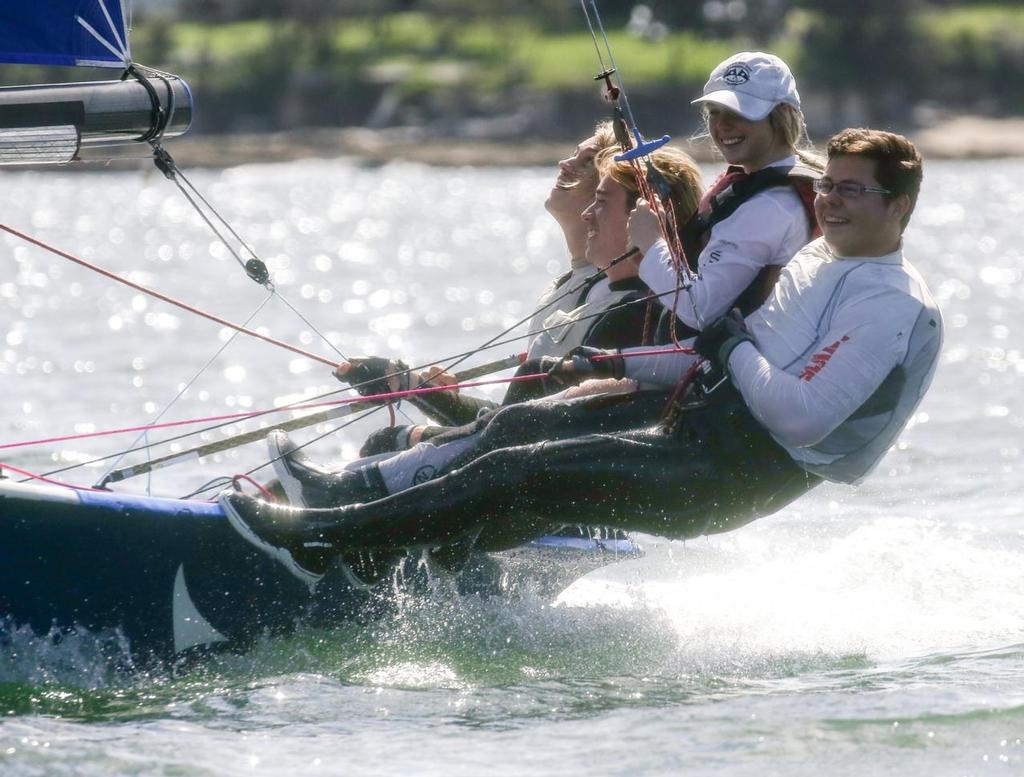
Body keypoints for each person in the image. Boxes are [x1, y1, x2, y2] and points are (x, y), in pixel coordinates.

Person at [221, 128, 943, 589]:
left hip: (736, 474)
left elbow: (803, 414)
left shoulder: (892, 304)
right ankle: (381, 549)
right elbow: (715, 365)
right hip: (694, 439)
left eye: (852, 189)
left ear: (899, 205)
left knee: (513, 466)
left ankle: (319, 540)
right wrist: (624, 365)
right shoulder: (818, 263)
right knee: (514, 464)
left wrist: (727, 341)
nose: (832, 200)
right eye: (828, 185)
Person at [633, 50, 822, 343]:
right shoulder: (753, 187)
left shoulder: (771, 206)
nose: (722, 126)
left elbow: (700, 310)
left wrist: (651, 242)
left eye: (739, 113)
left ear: (782, 115)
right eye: (714, 112)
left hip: (730, 373)